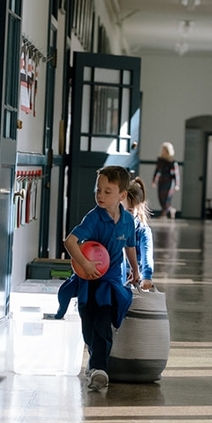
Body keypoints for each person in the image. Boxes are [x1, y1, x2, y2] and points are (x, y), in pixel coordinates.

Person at [54, 166, 141, 391]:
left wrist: (136, 270)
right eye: (98, 191)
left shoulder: (128, 221)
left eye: (107, 191)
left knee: (103, 322)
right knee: (89, 326)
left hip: (110, 281)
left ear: (122, 196)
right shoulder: (93, 218)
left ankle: (99, 369)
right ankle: (94, 364)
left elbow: (130, 246)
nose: (100, 196)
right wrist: (84, 264)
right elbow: (70, 242)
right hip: (88, 281)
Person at [123, 177, 154, 290]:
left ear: (139, 209)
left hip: (134, 279)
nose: (125, 214)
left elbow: (147, 255)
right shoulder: (113, 226)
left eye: (130, 210)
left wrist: (146, 276)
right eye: (121, 209)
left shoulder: (143, 231)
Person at [153, 142, 181, 219]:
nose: (163, 151)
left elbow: (176, 174)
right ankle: (171, 210)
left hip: (169, 182)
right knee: (161, 198)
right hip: (161, 181)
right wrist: (154, 180)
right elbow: (157, 171)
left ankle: (164, 214)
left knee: (166, 198)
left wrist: (177, 184)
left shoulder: (172, 162)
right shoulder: (160, 160)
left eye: (164, 150)